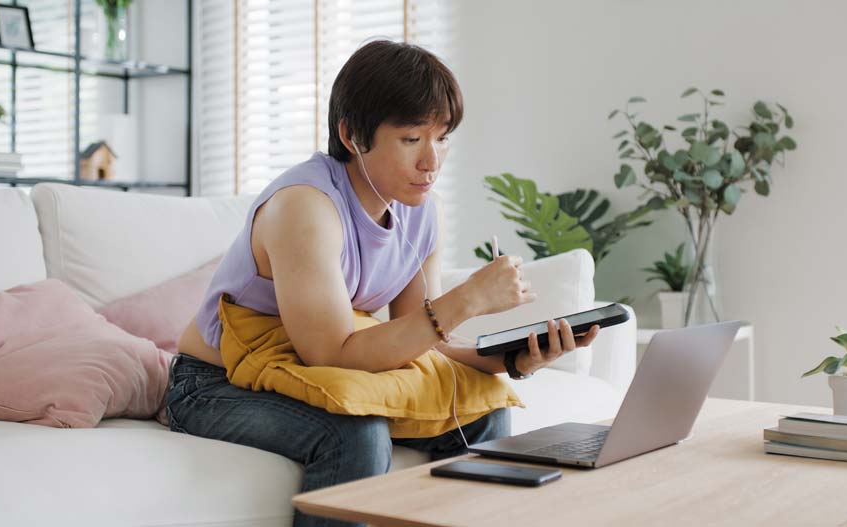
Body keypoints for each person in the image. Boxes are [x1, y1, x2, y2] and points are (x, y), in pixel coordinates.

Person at [166, 39, 600, 527]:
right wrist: (471, 297)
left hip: (310, 369)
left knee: (483, 412)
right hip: (213, 384)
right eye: (412, 139)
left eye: (443, 137)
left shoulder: (421, 212)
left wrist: (515, 358)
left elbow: (424, 343)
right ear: (352, 135)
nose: (432, 161)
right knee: (354, 435)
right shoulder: (306, 208)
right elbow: (331, 353)